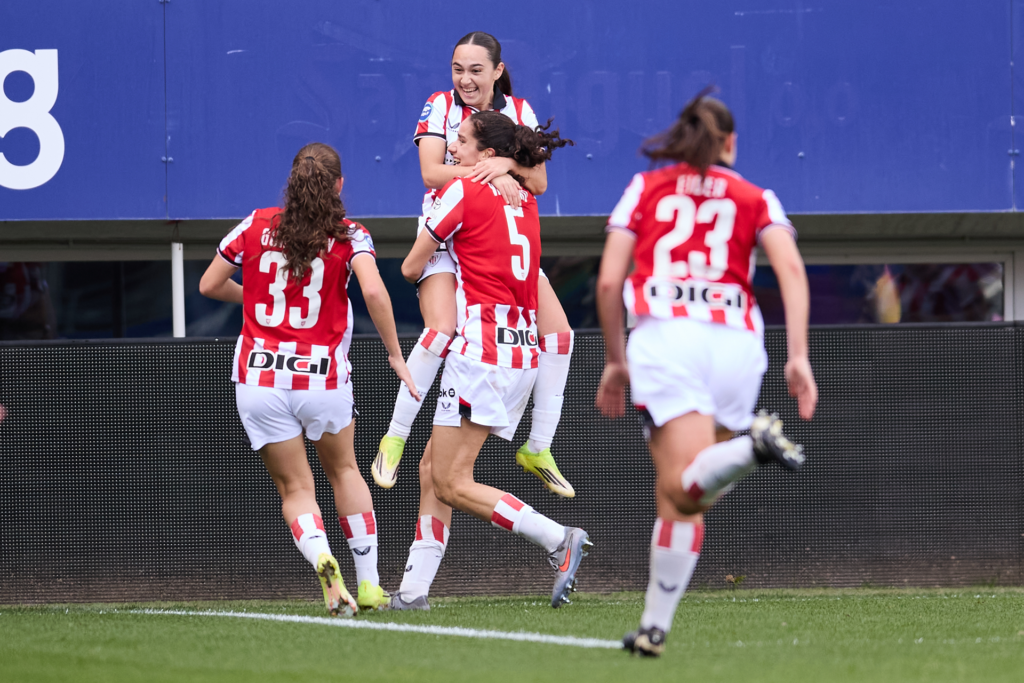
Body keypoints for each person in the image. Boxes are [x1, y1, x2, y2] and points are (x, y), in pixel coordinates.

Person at [594, 90, 818, 656]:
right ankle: (654, 629)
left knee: (680, 486)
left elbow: (608, 281)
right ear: (730, 143)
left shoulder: (645, 187)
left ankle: (753, 446)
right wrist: (798, 354)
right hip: (738, 343)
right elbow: (791, 270)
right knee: (688, 495)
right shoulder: (756, 196)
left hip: (668, 338)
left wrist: (616, 361)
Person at [199, 143, 419, 616]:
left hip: (259, 378)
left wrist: (256, 300)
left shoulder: (255, 223)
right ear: (339, 185)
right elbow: (374, 291)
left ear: (291, 183)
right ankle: (369, 585)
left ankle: (321, 556)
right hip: (322, 378)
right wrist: (395, 355)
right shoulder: (351, 234)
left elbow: (209, 284)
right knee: (345, 472)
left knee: (296, 489)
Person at [392, 111, 589, 610]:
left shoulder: (463, 191)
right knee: (432, 467)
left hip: (480, 356)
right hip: (520, 354)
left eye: (461, 140)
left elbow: (411, 266)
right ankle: (413, 592)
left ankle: (557, 538)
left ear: (487, 154)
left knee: (451, 482)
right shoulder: (525, 198)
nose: (452, 148)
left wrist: (442, 263)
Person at [373, 31, 576, 499]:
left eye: (476, 70)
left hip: (498, 237)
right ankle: (395, 436)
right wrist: (491, 170)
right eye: (457, 69)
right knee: (441, 328)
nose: (465, 79)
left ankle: (539, 446)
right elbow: (431, 173)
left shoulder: (520, 111)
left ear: (498, 71)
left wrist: (506, 166)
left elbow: (539, 181)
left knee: (560, 335)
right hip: (445, 231)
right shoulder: (438, 105)